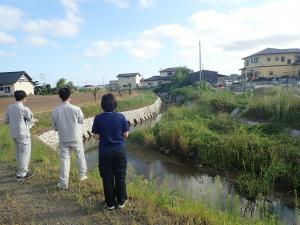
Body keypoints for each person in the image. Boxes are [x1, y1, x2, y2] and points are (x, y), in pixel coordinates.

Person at [92, 93, 129, 210]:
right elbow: (126, 134)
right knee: (120, 176)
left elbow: (97, 137)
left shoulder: (98, 118)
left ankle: (110, 204)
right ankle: (121, 201)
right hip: (120, 151)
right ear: (115, 104)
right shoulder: (121, 117)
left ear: (102, 105)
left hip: (105, 153)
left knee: (107, 177)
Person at [52, 87, 87, 190]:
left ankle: (63, 183)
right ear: (70, 96)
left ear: (59, 96)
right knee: (80, 156)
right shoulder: (76, 109)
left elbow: (55, 128)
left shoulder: (55, 111)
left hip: (63, 138)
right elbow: (81, 121)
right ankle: (82, 176)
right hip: (76, 137)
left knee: (64, 160)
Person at [5, 90, 38, 180]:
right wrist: (36, 120)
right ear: (24, 98)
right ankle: (22, 174)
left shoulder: (10, 107)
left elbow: (6, 121)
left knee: (19, 153)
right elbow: (31, 119)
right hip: (23, 134)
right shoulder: (25, 109)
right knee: (25, 153)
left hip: (13, 133)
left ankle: (22, 170)